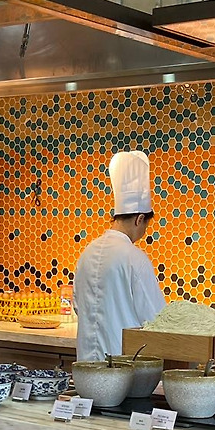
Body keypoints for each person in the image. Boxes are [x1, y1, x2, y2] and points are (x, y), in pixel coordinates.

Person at [73, 150, 167, 361]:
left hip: (86, 367)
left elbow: (78, 306)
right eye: (145, 225)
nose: (144, 232)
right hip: (122, 370)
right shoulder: (135, 258)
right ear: (139, 219)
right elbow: (156, 319)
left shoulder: (87, 253)